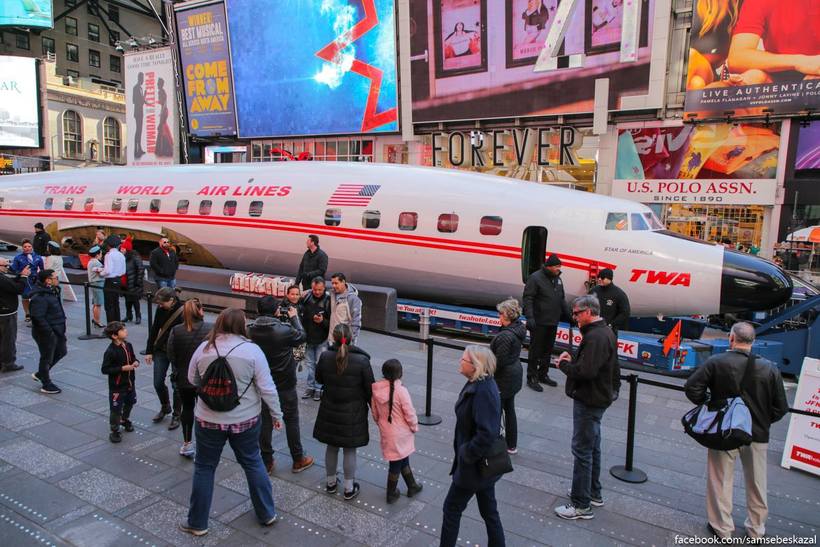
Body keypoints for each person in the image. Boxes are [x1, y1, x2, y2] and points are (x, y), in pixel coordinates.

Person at [181, 308, 283, 537]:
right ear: (241, 325)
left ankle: (197, 523)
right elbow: (267, 388)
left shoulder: (204, 348)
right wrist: (277, 415)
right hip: (245, 419)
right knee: (253, 462)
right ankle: (267, 513)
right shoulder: (252, 350)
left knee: (205, 468)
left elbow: (191, 379)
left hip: (208, 419)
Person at [683, 322, 788, 540]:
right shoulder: (769, 368)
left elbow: (692, 388)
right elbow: (781, 408)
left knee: (720, 480)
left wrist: (709, 404)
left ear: (731, 338)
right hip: (757, 434)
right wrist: (761, 420)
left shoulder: (716, 362)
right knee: (757, 484)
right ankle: (756, 530)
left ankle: (722, 529)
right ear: (753, 341)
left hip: (724, 431)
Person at [553, 295, 620, 520]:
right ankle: (592, 493)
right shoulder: (604, 332)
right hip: (599, 397)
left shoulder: (595, 337)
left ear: (589, 312)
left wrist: (563, 365)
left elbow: (586, 372)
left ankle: (581, 505)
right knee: (592, 448)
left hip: (589, 399)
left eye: (577, 313)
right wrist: (573, 359)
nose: (574, 317)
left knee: (582, 450)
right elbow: (596, 364)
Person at [440, 345, 505, 547]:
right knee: (489, 511)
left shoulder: (483, 391)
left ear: (475, 366)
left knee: (451, 508)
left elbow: (487, 433)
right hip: (483, 469)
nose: (460, 361)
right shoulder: (478, 383)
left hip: (474, 468)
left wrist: (466, 453)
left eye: (463, 359)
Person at [248, 295, 315, 475]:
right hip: (285, 383)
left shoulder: (250, 330)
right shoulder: (284, 330)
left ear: (258, 311)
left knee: (265, 422)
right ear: (277, 310)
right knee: (291, 419)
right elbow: (302, 336)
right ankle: (298, 458)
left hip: (261, 384)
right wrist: (294, 317)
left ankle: (267, 461)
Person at [313, 324, 375, 501]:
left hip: (330, 409)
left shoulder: (325, 356)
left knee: (331, 446)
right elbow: (370, 388)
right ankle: (349, 488)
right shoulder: (362, 361)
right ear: (351, 338)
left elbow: (319, 378)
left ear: (333, 337)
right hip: (353, 412)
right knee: (349, 449)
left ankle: (331, 483)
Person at [371, 359, 422, 504]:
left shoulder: (376, 390)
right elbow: (410, 413)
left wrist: (381, 424)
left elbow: (375, 413)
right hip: (402, 433)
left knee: (401, 456)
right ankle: (391, 493)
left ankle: (412, 485)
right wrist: (414, 427)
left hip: (388, 432)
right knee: (396, 462)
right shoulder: (401, 391)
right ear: (400, 374)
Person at [167, 299, 212, 458]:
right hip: (205, 378)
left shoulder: (176, 330)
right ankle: (205, 443)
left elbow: (171, 355)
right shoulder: (209, 329)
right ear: (200, 311)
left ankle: (187, 443)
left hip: (185, 378)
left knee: (187, 408)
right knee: (205, 410)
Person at [522, 254, 570, 391]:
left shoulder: (558, 280)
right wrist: (529, 317)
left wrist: (569, 316)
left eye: (560, 267)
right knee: (535, 350)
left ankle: (543, 374)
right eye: (557, 266)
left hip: (552, 321)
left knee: (547, 351)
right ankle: (532, 377)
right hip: (538, 321)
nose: (559, 269)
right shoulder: (535, 278)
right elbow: (528, 298)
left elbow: (562, 299)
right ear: (549, 266)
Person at [490, 298, 526, 454]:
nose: (499, 317)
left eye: (501, 314)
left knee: (496, 410)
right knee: (509, 409)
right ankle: (512, 445)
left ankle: (495, 442)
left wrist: (486, 372)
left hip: (504, 378)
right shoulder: (518, 328)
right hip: (514, 374)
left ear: (508, 316)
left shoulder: (506, 336)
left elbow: (500, 361)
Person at [145, 287, 184, 428]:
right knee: (157, 382)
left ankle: (177, 414)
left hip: (177, 352)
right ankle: (165, 406)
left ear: (172, 300)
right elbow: (155, 329)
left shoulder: (183, 311)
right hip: (161, 350)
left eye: (162, 303)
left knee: (176, 385)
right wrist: (149, 350)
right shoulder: (161, 310)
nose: (159, 306)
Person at [29, 270, 67, 395]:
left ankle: (41, 373)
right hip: (46, 332)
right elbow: (37, 317)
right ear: (48, 280)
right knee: (47, 356)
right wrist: (49, 332)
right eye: (56, 277)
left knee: (61, 351)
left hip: (57, 329)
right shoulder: (39, 296)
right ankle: (46, 383)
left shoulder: (52, 290)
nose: (58, 279)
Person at [101, 321, 139, 443]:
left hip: (129, 383)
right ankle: (115, 429)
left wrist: (136, 362)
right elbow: (105, 369)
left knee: (131, 401)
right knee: (116, 408)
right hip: (117, 386)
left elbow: (133, 357)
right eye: (123, 330)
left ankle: (124, 419)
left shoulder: (128, 345)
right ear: (114, 336)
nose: (126, 331)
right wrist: (122, 368)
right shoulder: (110, 351)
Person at [300, 277, 330, 401]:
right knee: (310, 365)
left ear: (324, 288)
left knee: (319, 365)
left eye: (320, 290)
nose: (317, 292)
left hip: (322, 339)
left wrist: (322, 321)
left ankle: (318, 388)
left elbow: (332, 323)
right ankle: (310, 386)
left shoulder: (329, 300)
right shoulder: (306, 297)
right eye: (315, 289)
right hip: (308, 337)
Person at [0, 257, 29, 373]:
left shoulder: (2, 278)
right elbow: (17, 288)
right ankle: (8, 363)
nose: (7, 268)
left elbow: (9, 283)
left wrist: (20, 276)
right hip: (6, 313)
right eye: (5, 266)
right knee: (8, 339)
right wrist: (24, 277)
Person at [11, 239, 44, 324]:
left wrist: (41, 277)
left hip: (35, 280)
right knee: (25, 298)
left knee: (35, 298)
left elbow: (42, 269)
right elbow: (13, 270)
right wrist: (21, 273)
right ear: (22, 248)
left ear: (32, 247)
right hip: (24, 281)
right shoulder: (18, 258)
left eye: (29, 246)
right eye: (25, 247)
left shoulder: (38, 257)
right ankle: (27, 314)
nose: (27, 248)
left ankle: (35, 314)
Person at [589, 268, 630, 335]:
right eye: (598, 277)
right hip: (593, 329)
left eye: (602, 277)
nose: (599, 279)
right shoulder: (593, 291)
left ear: (609, 279)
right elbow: (586, 305)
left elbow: (625, 313)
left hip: (609, 332)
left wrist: (611, 325)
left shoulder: (619, 294)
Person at [328, 273, 362, 345]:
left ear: (343, 282)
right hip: (332, 340)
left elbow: (356, 322)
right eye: (332, 283)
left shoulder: (353, 299)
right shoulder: (332, 294)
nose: (334, 285)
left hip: (345, 342)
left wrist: (349, 341)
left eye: (336, 283)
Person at [99, 235, 125, 323]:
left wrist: (100, 273)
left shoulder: (108, 255)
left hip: (110, 281)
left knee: (109, 305)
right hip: (118, 280)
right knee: (116, 303)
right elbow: (123, 271)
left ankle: (111, 325)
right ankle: (117, 324)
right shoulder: (121, 255)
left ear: (109, 245)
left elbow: (108, 270)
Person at [123, 246, 144, 324]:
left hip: (134, 282)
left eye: (123, 248)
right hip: (126, 282)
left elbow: (140, 269)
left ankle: (138, 316)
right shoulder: (124, 257)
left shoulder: (135, 257)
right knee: (127, 300)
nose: (121, 250)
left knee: (135, 301)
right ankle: (128, 315)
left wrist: (137, 281)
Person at [87, 246, 105, 328]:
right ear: (97, 254)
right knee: (98, 304)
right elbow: (101, 273)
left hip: (93, 283)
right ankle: (97, 321)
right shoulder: (96, 263)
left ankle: (95, 319)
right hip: (98, 283)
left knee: (95, 303)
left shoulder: (91, 261)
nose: (101, 255)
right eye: (101, 253)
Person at [132, 72, 145, 159]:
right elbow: (134, 100)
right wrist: (142, 99)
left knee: (140, 130)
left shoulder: (140, 88)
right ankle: (136, 149)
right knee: (138, 130)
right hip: (137, 112)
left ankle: (139, 148)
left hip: (141, 111)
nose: (143, 80)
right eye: (142, 78)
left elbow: (141, 101)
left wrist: (144, 100)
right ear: (139, 78)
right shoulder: (136, 88)